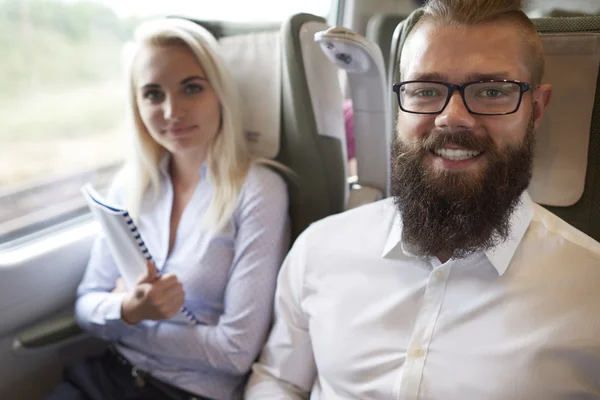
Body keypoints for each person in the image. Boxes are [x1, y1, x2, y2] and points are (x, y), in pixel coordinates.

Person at [245, 0, 600, 399]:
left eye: (491, 91)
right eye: (426, 90)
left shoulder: (590, 289)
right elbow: (279, 380)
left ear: (535, 109)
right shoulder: (319, 249)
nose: (453, 117)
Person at [44, 17, 290, 400]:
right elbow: (86, 304)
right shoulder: (131, 184)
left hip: (184, 392)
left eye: (191, 88)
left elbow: (235, 351)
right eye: (153, 94)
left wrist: (129, 322)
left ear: (220, 94)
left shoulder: (258, 190)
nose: (172, 111)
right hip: (106, 377)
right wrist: (128, 310)